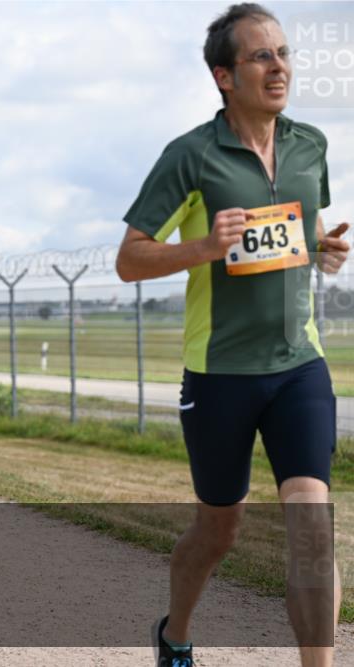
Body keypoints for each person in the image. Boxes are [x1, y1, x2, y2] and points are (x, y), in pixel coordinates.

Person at [116, 5, 347, 665]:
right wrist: (204, 248)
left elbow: (299, 233)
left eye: (284, 52)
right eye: (261, 57)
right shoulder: (189, 157)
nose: (280, 67)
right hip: (219, 375)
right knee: (218, 529)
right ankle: (177, 634)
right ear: (224, 75)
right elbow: (130, 259)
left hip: (299, 364)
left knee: (311, 528)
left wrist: (322, 249)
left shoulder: (310, 146)